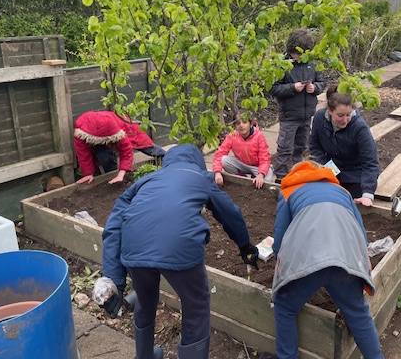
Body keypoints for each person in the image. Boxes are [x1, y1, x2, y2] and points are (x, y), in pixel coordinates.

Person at [98, 143, 260, 359]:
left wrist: (114, 279)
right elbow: (229, 211)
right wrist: (245, 246)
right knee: (196, 304)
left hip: (134, 248)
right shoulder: (200, 177)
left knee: (145, 301)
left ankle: (144, 355)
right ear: (198, 162)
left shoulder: (145, 180)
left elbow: (114, 224)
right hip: (180, 248)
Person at [269, 161, 384, 359]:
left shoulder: (288, 192)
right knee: (358, 314)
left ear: (295, 173)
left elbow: (280, 238)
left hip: (308, 260)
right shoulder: (342, 192)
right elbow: (361, 234)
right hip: (345, 260)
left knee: (285, 306)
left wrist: (278, 257)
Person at [309, 84, 380, 207]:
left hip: (355, 175)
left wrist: (367, 194)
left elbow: (370, 162)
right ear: (330, 111)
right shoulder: (320, 118)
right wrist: (327, 168)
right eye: (340, 115)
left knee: (350, 207)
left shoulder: (359, 128)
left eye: (348, 115)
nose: (345, 120)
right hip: (331, 171)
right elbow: (315, 147)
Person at [270, 28, 325, 180]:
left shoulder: (311, 63)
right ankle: (280, 176)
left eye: (303, 54)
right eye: (297, 54)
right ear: (291, 50)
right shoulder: (282, 64)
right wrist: (292, 88)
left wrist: (315, 88)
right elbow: (273, 88)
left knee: (301, 146)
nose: (300, 57)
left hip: (306, 114)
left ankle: (297, 172)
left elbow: (321, 82)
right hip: (289, 115)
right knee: (285, 147)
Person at [73, 110, 165, 185]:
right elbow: (83, 153)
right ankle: (111, 177)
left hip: (124, 128)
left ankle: (168, 157)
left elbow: (126, 151)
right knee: (103, 155)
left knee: (146, 146)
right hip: (96, 134)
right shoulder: (81, 132)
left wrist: (121, 174)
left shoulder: (117, 131)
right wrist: (88, 174)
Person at [213, 109, 274, 189]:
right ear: (234, 126)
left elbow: (265, 158)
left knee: (267, 179)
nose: (241, 125)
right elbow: (220, 154)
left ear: (251, 124)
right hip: (242, 164)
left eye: (244, 122)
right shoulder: (232, 136)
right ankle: (241, 178)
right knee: (224, 160)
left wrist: (260, 174)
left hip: (257, 167)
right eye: (238, 123)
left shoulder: (259, 136)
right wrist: (217, 172)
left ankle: (255, 177)